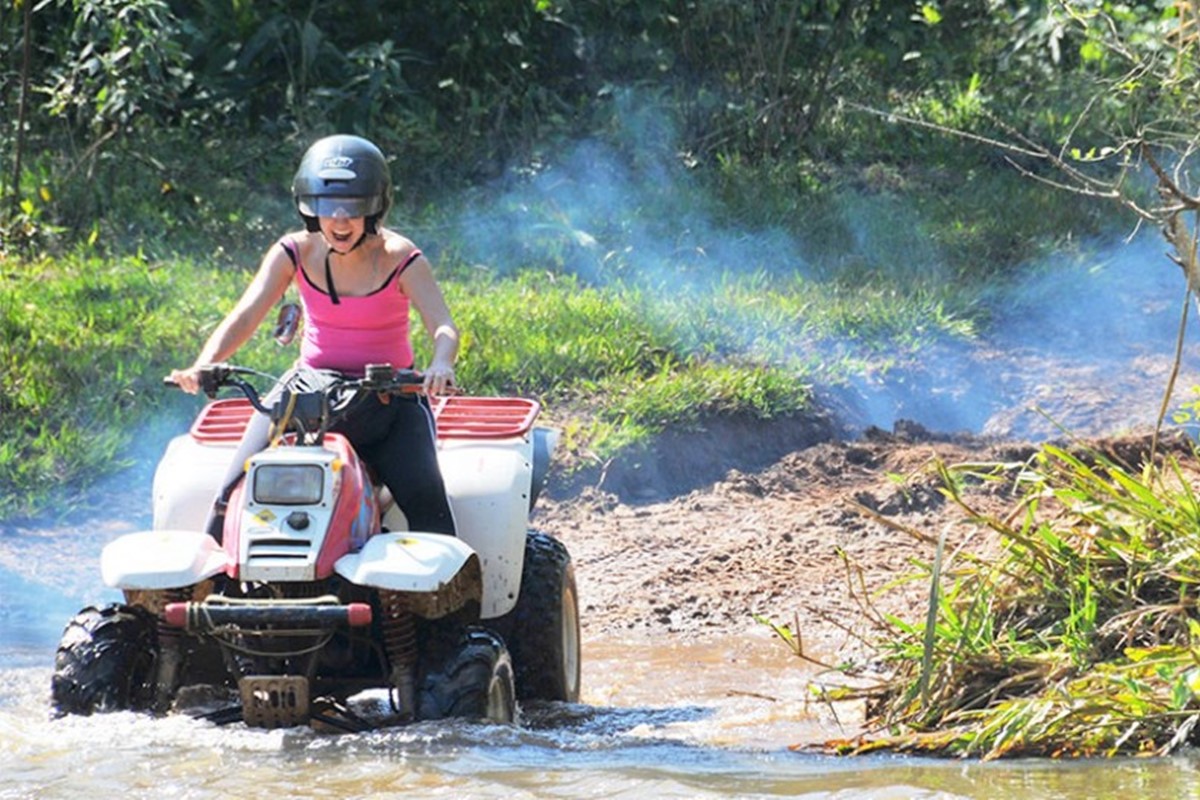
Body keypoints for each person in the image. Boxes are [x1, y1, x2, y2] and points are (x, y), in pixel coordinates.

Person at [170, 134, 459, 535]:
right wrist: (205, 364)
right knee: (230, 494)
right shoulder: (294, 251)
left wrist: (441, 363)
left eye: (353, 208)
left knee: (430, 510)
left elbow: (442, 325)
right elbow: (246, 314)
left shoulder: (400, 256)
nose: (340, 221)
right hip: (306, 393)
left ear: (375, 207)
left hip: (391, 398)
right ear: (310, 209)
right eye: (328, 208)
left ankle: (457, 598)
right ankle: (212, 588)